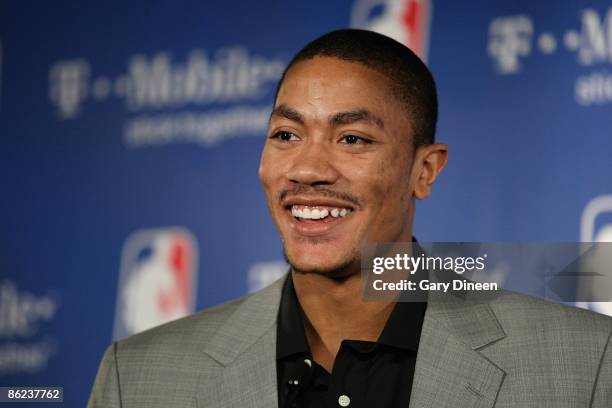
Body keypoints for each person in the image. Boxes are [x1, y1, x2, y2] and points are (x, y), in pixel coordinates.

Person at [88, 29, 612, 408]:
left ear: (423, 171)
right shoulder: (136, 379)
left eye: (352, 139)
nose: (308, 169)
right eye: (286, 135)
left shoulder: (585, 366)